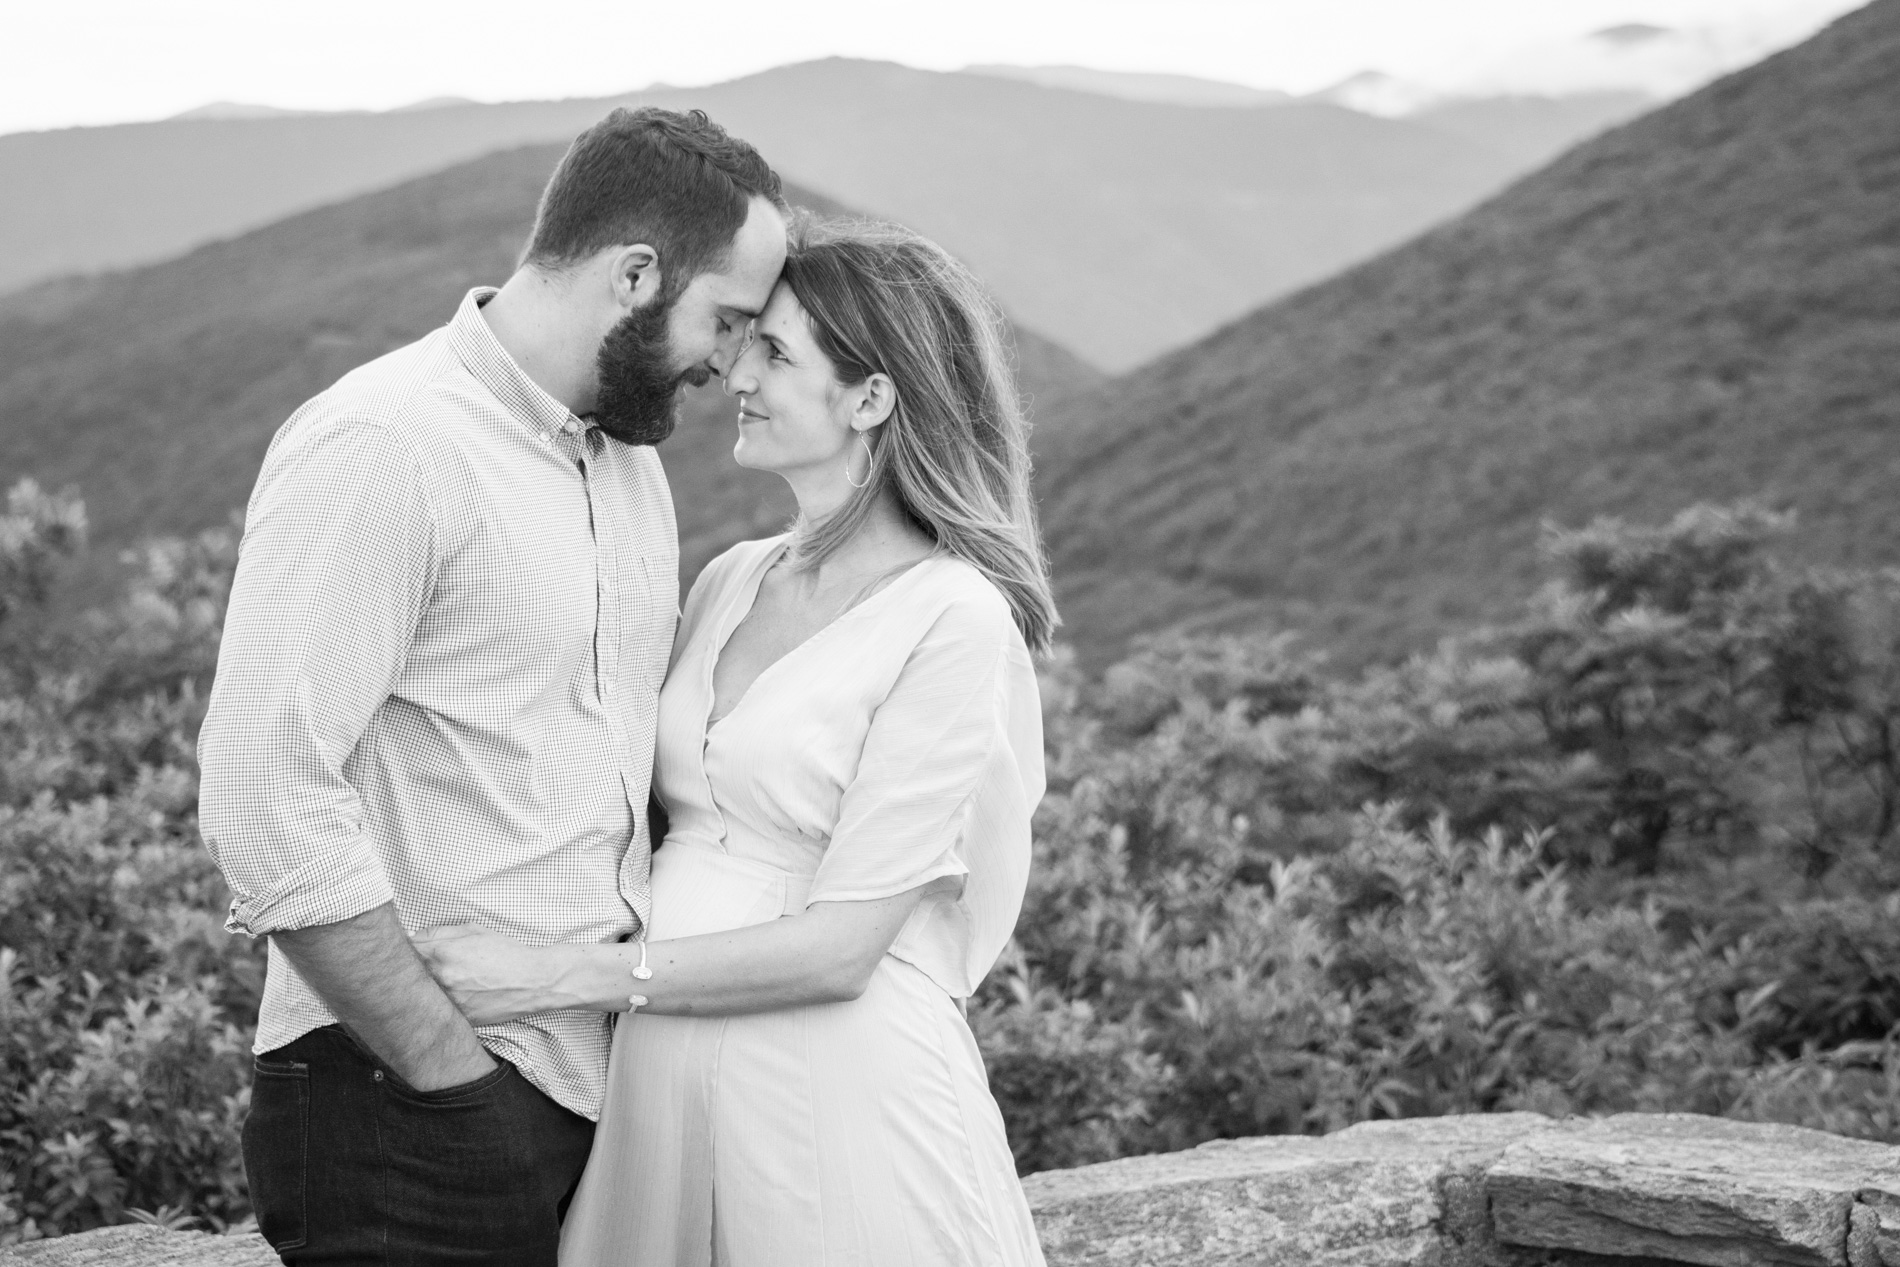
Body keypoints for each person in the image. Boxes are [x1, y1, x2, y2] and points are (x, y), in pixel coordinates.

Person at [195, 106, 788, 1265]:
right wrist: (446, 1073)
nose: (728, 363)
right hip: (405, 1099)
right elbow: (264, 797)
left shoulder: (628, 470)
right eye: (724, 319)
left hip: (587, 1097)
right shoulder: (385, 441)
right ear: (634, 274)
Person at [416, 221, 1057, 1266]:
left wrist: (548, 975)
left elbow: (843, 948)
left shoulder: (953, 618)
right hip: (665, 1074)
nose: (736, 375)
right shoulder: (731, 579)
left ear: (871, 398)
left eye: (776, 354)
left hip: (835, 1083)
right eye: (744, 342)